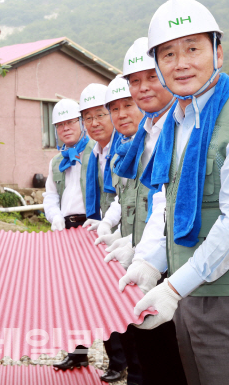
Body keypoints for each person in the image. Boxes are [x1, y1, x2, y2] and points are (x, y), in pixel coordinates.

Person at [123, 0, 229, 385]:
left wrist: (174, 287)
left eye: (193, 48)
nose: (181, 63)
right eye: (168, 53)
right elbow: (167, 204)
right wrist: (150, 262)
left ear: (218, 52)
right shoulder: (177, 124)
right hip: (191, 297)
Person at [106, 38, 186, 385]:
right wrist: (134, 246)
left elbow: (169, 204)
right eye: (133, 81)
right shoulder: (147, 135)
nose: (142, 89)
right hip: (150, 260)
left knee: (172, 361)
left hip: (178, 270)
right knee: (151, 356)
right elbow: (149, 202)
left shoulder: (182, 127)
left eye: (149, 77)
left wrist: (147, 257)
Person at [77, 83, 144, 385]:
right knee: (108, 304)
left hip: (137, 242)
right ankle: (125, 364)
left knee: (134, 314)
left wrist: (122, 234)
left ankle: (133, 368)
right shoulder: (98, 153)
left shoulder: (132, 145)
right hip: (112, 235)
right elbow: (120, 196)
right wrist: (103, 223)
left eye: (101, 114)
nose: (95, 123)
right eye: (87, 118)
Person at [43, 98, 96, 370]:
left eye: (70, 122)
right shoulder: (56, 162)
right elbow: (50, 196)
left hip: (92, 228)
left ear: (81, 123)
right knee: (72, 294)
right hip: (66, 229)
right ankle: (78, 353)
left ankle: (121, 359)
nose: (65, 128)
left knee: (103, 292)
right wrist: (54, 218)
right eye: (60, 124)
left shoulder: (96, 152)